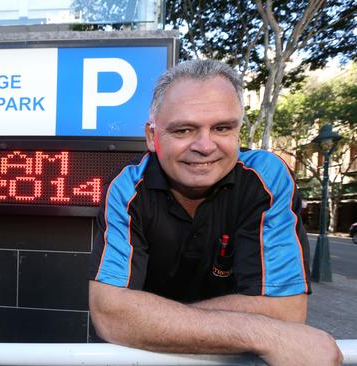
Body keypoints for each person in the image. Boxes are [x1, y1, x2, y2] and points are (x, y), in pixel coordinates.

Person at [88, 60, 343, 365]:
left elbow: (286, 311)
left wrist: (148, 321)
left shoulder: (268, 177)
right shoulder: (126, 188)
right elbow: (110, 314)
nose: (205, 146)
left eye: (222, 128)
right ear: (151, 136)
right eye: (184, 129)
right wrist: (264, 333)